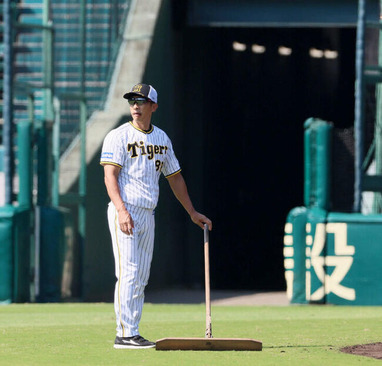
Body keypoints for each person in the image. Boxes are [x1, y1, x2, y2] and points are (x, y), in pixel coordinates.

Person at [100, 83, 212, 349]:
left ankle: (133, 331)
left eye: (141, 101)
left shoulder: (161, 138)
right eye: (132, 101)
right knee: (128, 272)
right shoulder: (118, 136)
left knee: (141, 276)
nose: (135, 106)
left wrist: (192, 212)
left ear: (154, 106)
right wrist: (121, 210)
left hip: (148, 213)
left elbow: (175, 178)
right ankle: (124, 333)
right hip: (125, 209)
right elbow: (109, 176)